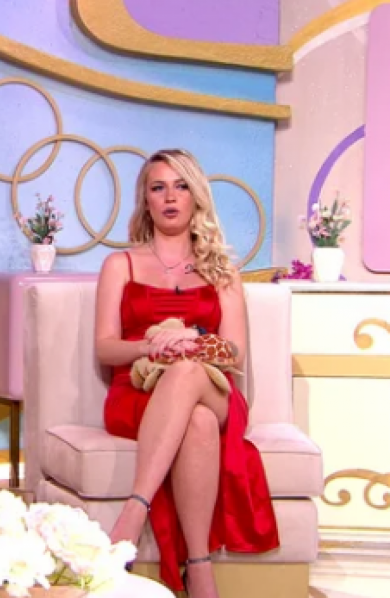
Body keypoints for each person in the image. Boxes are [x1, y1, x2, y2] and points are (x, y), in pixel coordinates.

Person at [94, 149, 279, 597]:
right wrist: (152, 346)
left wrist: (191, 343)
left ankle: (134, 509)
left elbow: (234, 352)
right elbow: (105, 347)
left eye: (180, 187)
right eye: (158, 188)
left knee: (188, 372)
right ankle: (199, 566)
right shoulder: (120, 265)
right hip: (137, 391)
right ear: (146, 200)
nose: (170, 197)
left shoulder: (222, 272)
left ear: (196, 197)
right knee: (196, 420)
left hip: (212, 385)